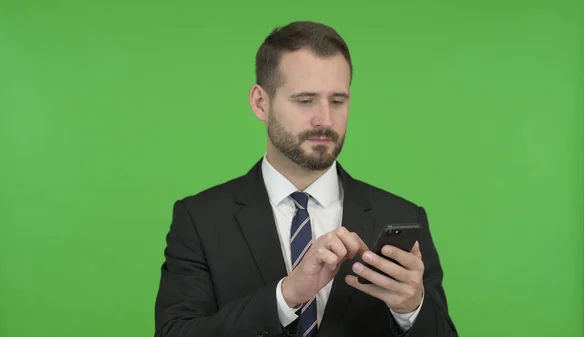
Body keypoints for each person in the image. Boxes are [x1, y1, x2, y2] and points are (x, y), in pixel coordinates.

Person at [154, 21, 458, 337]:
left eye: (337, 101)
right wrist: (286, 296)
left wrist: (411, 310)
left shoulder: (403, 217)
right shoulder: (200, 219)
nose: (325, 120)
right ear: (261, 103)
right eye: (305, 100)